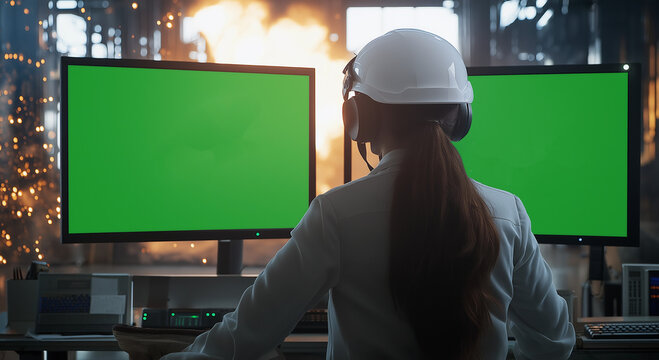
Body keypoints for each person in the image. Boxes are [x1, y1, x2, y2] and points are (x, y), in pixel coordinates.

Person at [161, 29, 575, 360]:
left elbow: (247, 335)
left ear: (360, 117)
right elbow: (555, 340)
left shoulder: (335, 215)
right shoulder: (508, 213)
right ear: (460, 116)